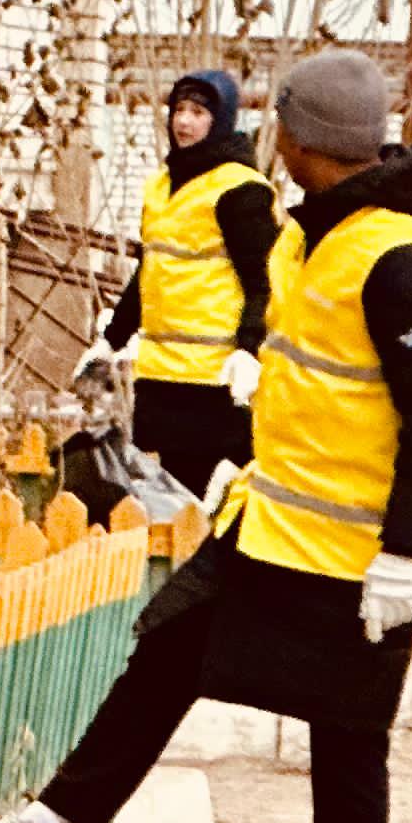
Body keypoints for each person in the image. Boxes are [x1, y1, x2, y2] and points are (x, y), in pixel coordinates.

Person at [0, 51, 412, 823]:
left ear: (301, 139)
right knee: (170, 651)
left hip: (362, 548)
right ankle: (60, 821)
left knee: (351, 733)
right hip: (272, 518)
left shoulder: (401, 260)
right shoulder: (308, 237)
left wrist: (404, 557)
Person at [78, 67, 277, 504]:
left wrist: (249, 349)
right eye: (179, 110)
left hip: (216, 381)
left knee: (216, 504)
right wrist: (111, 341)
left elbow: (267, 280)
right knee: (164, 503)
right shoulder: (161, 186)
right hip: (161, 376)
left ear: (220, 121)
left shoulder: (240, 190)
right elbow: (148, 270)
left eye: (199, 112)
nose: (184, 122)